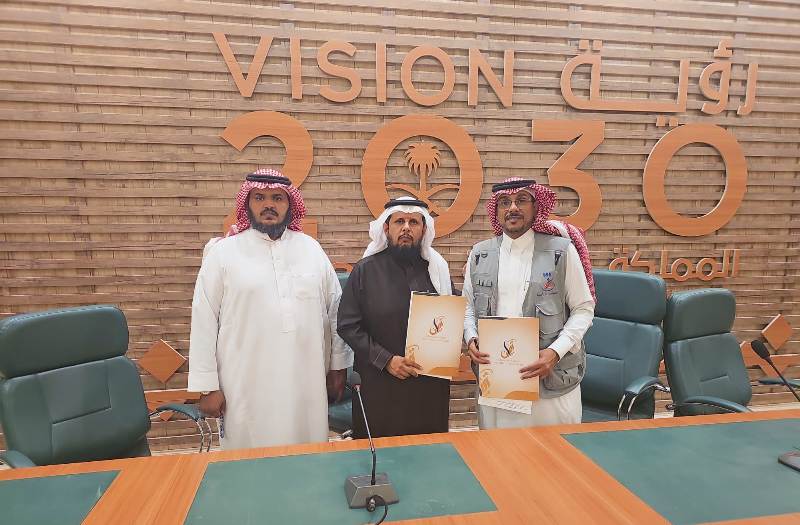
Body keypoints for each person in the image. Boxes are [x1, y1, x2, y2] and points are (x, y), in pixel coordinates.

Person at [188, 168, 352, 449]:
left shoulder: (311, 250)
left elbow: (336, 311)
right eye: (259, 198)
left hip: (306, 382)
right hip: (243, 384)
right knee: (249, 459)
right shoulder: (223, 254)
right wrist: (207, 387)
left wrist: (338, 368)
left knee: (309, 455)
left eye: (277, 198)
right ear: (247, 203)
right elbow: (204, 321)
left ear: (290, 204)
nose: (268, 205)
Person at [463, 177, 596, 428]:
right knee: (496, 449)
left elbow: (583, 309)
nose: (512, 207)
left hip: (549, 382)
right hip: (496, 380)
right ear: (496, 211)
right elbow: (467, 306)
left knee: (552, 451)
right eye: (505, 202)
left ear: (536, 207)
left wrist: (555, 353)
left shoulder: (560, 251)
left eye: (521, 200)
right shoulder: (480, 254)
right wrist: (471, 338)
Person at [337, 196, 453, 438]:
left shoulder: (437, 271)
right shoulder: (365, 271)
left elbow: (450, 315)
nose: (406, 228)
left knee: (430, 451)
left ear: (424, 229)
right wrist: (387, 360)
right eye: (400, 221)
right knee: (381, 454)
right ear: (386, 228)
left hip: (429, 388)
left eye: (414, 222)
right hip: (380, 384)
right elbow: (347, 325)